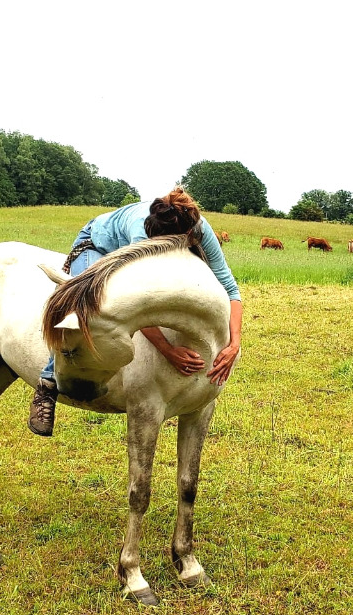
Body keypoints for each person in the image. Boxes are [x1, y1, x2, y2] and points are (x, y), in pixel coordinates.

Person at [29, 187, 243, 436]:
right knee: (81, 309)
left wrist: (234, 343)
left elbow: (229, 287)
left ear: (185, 235)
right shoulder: (142, 233)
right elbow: (139, 301)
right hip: (98, 245)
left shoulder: (200, 229)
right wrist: (167, 350)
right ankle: (47, 385)